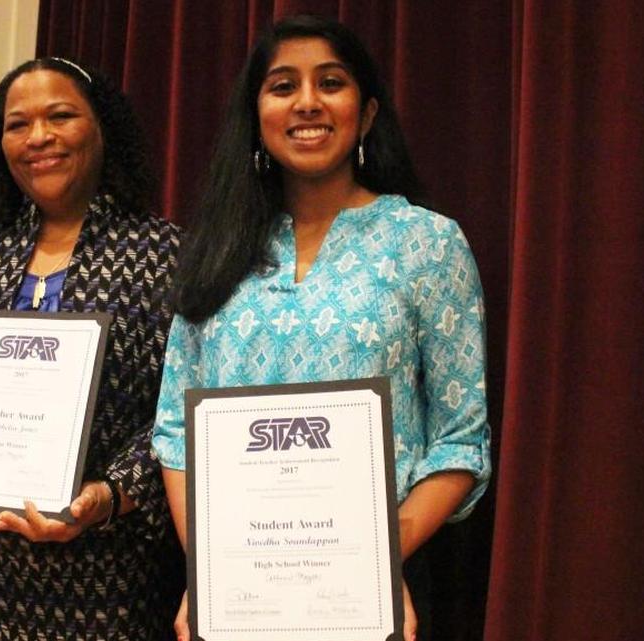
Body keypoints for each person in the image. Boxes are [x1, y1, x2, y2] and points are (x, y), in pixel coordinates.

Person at [152, 15, 491, 641]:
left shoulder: (427, 243)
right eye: (283, 86)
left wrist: (373, 564)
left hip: (365, 602)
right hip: (237, 602)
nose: (307, 102)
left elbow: (459, 443)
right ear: (256, 115)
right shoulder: (216, 250)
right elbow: (176, 432)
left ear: (365, 116)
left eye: (330, 82)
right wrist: (210, 572)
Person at [0, 57, 183, 640]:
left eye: (61, 116)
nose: (39, 137)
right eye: (18, 124)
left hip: (114, 580)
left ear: (102, 128)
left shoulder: (164, 253)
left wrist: (107, 495)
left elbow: (176, 414)